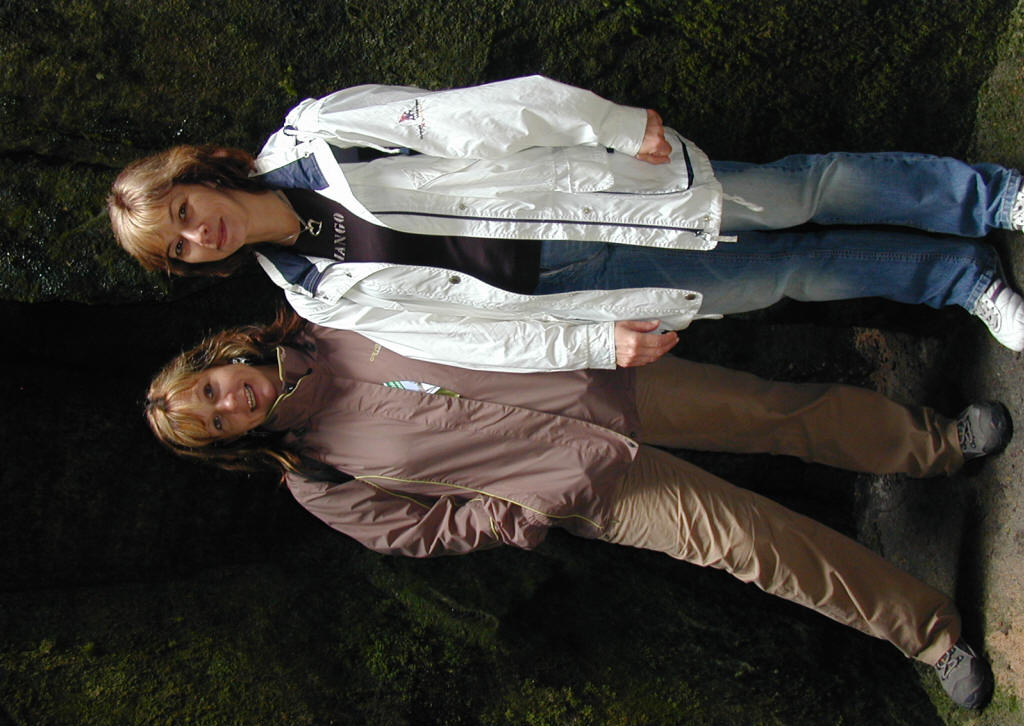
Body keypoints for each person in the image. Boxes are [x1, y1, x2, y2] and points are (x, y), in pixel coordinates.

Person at [144, 309, 1011, 709]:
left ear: (217, 359)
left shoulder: (329, 313)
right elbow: (416, 533)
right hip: (589, 489)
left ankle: (939, 444)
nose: (231, 403)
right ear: (228, 442)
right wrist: (516, 514)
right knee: (757, 545)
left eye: (211, 389)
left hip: (600, 383)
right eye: (215, 422)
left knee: (775, 412)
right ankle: (932, 636)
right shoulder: (316, 477)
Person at [110, 76, 1024, 372]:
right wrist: (589, 342)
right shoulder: (315, 297)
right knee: (783, 277)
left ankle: (989, 201)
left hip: (579, 190)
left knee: (796, 195)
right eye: (178, 248)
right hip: (568, 284)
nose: (199, 235)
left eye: (183, 213)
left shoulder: (319, 135)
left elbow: (466, 117)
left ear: (194, 178)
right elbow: (459, 337)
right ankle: (964, 280)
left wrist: (612, 126)